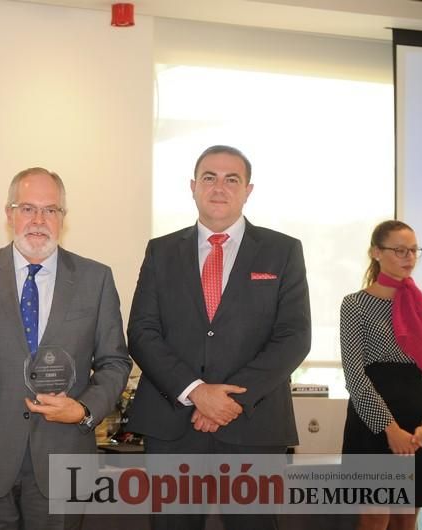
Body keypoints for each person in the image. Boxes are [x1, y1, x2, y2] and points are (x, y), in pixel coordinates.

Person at [126, 145, 311, 530]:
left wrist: (226, 400)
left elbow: (294, 337)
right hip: (173, 425)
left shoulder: (283, 251)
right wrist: (196, 391)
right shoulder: (161, 251)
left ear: (248, 190)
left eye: (232, 179)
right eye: (209, 177)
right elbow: (142, 332)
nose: (219, 187)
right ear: (193, 187)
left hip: (253, 428)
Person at [0, 167, 131, 530]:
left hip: (64, 456)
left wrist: (84, 409)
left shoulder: (96, 278)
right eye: (27, 208)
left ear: (63, 217)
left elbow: (114, 362)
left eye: (50, 210)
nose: (38, 220)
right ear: (9, 213)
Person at [341, 220, 422, 528]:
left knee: (407, 517)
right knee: (375, 516)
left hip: (418, 426)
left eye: (414, 250)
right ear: (376, 252)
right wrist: (390, 430)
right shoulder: (355, 305)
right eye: (400, 250)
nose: (409, 257)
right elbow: (354, 376)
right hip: (372, 423)